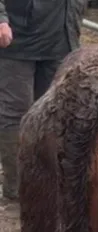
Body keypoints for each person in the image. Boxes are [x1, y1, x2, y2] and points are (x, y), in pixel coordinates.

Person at [0, 0, 86, 200]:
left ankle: (48, 181)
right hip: (15, 42)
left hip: (59, 37)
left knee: (55, 112)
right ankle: (18, 184)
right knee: (16, 113)